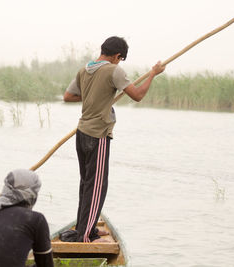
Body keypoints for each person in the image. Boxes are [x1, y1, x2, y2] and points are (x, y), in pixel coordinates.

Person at [63, 36, 165, 243]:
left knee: (87, 183)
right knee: (97, 186)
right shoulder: (113, 70)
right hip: (97, 135)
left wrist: (97, 95)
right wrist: (153, 74)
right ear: (118, 56)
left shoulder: (85, 70)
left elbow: (68, 96)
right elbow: (137, 95)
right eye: (120, 59)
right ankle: (83, 236)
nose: (119, 63)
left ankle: (88, 229)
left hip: (81, 133)